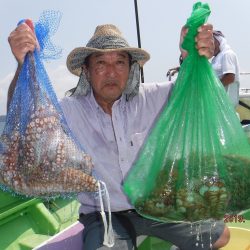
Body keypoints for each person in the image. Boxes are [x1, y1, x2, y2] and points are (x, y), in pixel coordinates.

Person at [8, 21, 230, 250]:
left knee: (219, 235)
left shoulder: (152, 97)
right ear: (86, 70)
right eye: (101, 63)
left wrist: (191, 57)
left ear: (131, 68)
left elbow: (195, 93)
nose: (111, 72)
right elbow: (24, 120)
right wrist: (23, 65)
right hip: (103, 214)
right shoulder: (69, 110)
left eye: (120, 63)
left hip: (156, 205)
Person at [212, 30, 240, 108]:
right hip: (218, 102)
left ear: (218, 41)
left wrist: (212, 89)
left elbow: (230, 77)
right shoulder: (216, 58)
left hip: (225, 103)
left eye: (211, 42)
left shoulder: (227, 54)